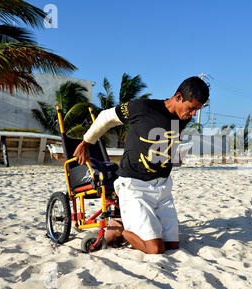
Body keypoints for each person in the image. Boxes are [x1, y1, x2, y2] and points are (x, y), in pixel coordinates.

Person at [73, 76, 209, 254]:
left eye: (197, 110)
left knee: (172, 246)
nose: (192, 115)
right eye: (192, 109)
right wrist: (86, 142)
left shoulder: (182, 119)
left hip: (163, 188)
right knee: (155, 249)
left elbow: (166, 142)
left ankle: (125, 223)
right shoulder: (144, 108)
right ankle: (122, 229)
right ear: (178, 97)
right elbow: (106, 117)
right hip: (135, 186)